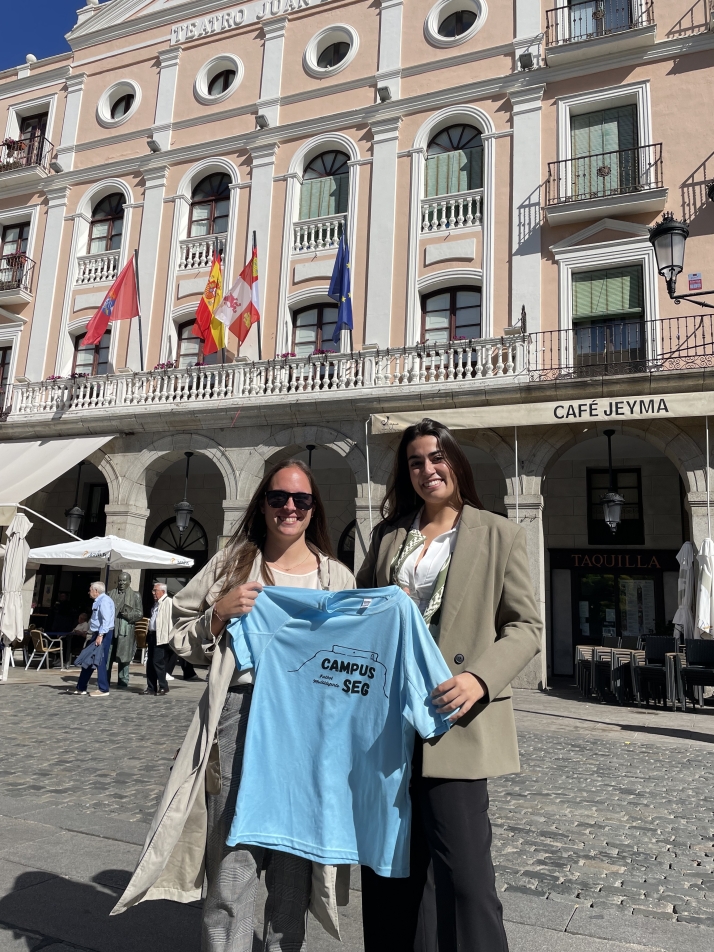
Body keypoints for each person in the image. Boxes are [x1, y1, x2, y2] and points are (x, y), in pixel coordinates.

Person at [111, 458, 356, 949]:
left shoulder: (337, 579)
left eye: (301, 500)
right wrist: (217, 615)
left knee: (292, 873)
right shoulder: (232, 564)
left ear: (314, 510)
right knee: (232, 866)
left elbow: (351, 664)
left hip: (307, 731)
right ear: (263, 504)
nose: (289, 507)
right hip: (239, 718)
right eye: (278, 497)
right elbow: (173, 632)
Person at [356, 418, 542, 952]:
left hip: (454, 716)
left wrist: (479, 679)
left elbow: (526, 627)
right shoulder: (389, 535)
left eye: (437, 457)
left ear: (457, 462)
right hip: (388, 719)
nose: (427, 469)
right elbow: (361, 611)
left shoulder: (498, 532)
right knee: (391, 864)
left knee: (465, 874)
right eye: (415, 462)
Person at [68, 582, 115, 697]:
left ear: (96, 591)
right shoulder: (100, 600)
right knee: (89, 658)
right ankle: (81, 687)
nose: (89, 592)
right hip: (98, 633)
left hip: (103, 633)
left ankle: (103, 689)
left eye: (90, 590)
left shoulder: (104, 601)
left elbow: (106, 619)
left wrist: (100, 635)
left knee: (99, 660)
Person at [107, 571, 143, 689]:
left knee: (124, 658)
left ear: (129, 582)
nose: (121, 583)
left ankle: (123, 681)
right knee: (108, 656)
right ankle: (104, 679)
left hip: (125, 630)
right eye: (120, 581)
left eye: (124, 581)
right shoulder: (110, 593)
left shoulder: (135, 595)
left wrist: (128, 614)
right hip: (111, 630)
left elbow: (139, 614)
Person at [144, 582, 172, 696]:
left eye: (155, 590)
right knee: (150, 662)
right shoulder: (156, 603)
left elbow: (171, 620)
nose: (153, 592)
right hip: (152, 635)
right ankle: (151, 687)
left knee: (157, 662)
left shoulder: (168, 602)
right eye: (153, 590)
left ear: (163, 592)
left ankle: (163, 686)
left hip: (161, 636)